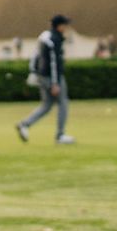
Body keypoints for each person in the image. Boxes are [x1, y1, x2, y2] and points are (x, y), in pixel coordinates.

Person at [16, 15, 74, 145]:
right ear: (59, 26)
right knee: (63, 103)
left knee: (47, 105)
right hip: (51, 77)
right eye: (65, 25)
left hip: (42, 76)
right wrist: (55, 83)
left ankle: (24, 124)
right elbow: (54, 62)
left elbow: (35, 55)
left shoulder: (44, 36)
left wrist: (33, 71)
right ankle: (60, 135)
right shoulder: (54, 39)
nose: (66, 28)